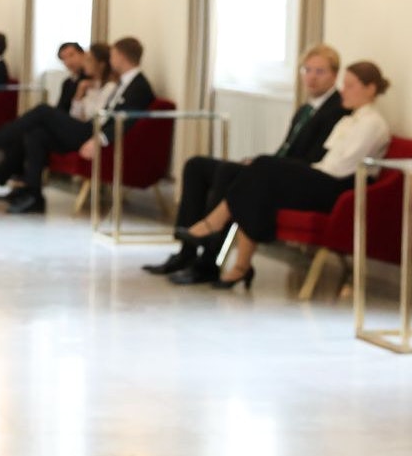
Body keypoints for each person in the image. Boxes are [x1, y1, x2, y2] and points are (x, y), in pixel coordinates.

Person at [143, 44, 349, 284]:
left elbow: (311, 160)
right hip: (276, 169)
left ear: (334, 75)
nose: (311, 77)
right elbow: (286, 149)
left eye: (320, 72)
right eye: (307, 70)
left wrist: (266, 165)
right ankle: (186, 251)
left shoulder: (337, 111)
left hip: (294, 179)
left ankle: (208, 261)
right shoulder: (305, 108)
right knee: (196, 165)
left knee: (229, 172)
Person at [178, 61, 391, 290]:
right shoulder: (349, 120)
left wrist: (301, 173)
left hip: (339, 188)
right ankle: (239, 264)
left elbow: (341, 167)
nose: (343, 91)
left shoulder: (372, 123)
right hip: (325, 176)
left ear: (370, 89)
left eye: (350, 85)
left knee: (262, 167)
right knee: (257, 182)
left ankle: (214, 225)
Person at [0, 36, 154, 214]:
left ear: (120, 56)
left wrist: (99, 139)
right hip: (87, 127)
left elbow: (127, 119)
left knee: (43, 111)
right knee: (35, 134)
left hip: (93, 131)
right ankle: (31, 195)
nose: (112, 60)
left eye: (113, 56)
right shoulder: (119, 83)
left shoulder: (138, 85)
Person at [53, 41, 87, 112]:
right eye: (64, 59)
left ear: (83, 54)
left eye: (71, 55)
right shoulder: (67, 83)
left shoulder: (90, 78)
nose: (69, 62)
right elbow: (60, 108)